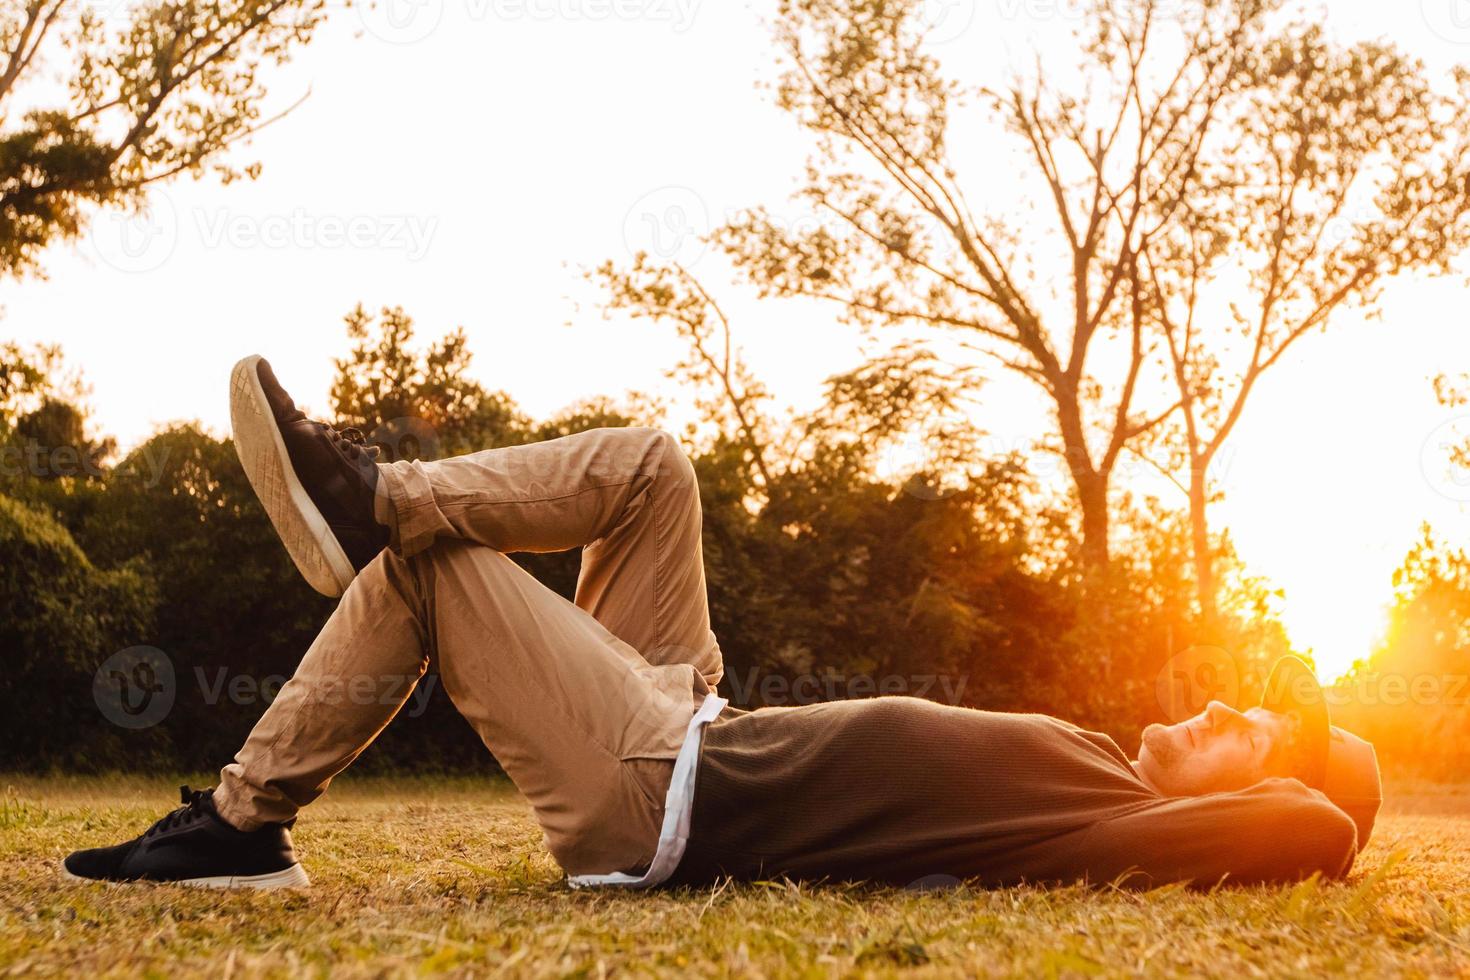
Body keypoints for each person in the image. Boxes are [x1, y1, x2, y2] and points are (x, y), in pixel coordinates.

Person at [61, 356, 1383, 891]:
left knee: (430, 577)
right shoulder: (1091, 768)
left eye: (1245, 731)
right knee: (650, 465)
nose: (1214, 709)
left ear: (1249, 789)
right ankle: (384, 497)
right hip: (694, 720)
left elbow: (1314, 828)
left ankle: (240, 829)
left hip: (664, 789)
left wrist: (1312, 788)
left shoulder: (1116, 823)